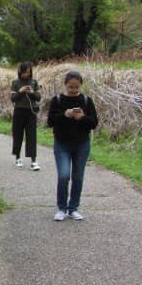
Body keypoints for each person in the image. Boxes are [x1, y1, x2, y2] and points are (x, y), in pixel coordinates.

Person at [46, 71, 98, 221]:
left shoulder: (87, 101)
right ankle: (61, 208)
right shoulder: (57, 100)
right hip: (62, 144)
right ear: (65, 85)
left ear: (81, 85)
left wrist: (82, 117)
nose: (74, 90)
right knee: (63, 176)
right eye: (70, 87)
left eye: (76, 87)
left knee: (78, 176)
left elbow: (93, 123)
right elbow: (50, 121)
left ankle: (73, 208)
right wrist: (65, 115)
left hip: (82, 144)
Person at [10, 62, 42, 171]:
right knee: (18, 134)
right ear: (20, 72)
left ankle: (33, 161)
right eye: (25, 72)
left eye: (29, 72)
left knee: (31, 136)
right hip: (19, 111)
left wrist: (31, 92)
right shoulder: (15, 82)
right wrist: (21, 91)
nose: (27, 74)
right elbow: (13, 98)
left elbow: (38, 97)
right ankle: (18, 157)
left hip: (31, 112)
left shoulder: (34, 82)